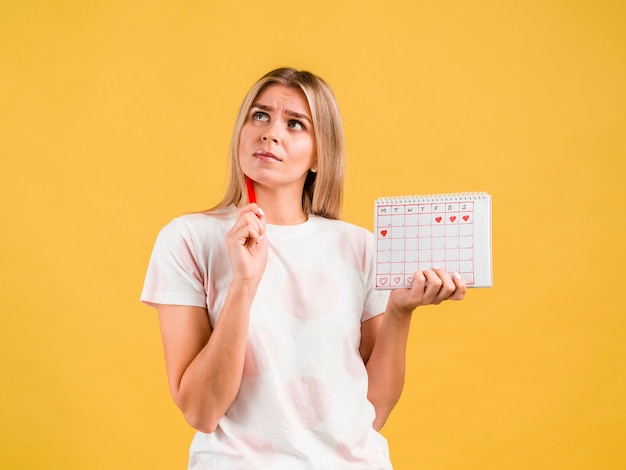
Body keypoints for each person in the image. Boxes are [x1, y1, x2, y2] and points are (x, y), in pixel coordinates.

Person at [141, 67, 466, 469]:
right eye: (260, 115)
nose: (270, 132)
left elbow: (372, 415)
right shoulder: (188, 239)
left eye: (295, 124)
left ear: (319, 154)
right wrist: (245, 283)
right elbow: (201, 411)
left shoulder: (361, 247)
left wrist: (400, 312)